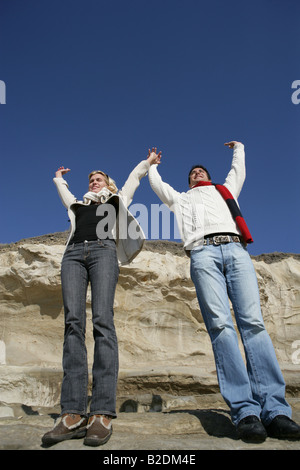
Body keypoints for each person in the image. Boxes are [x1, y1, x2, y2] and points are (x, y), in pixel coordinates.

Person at [148, 142, 300, 442]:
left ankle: (275, 411)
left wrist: (239, 148)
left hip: (235, 249)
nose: (197, 173)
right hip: (202, 254)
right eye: (192, 172)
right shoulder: (180, 199)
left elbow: (237, 171)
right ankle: (246, 412)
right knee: (221, 327)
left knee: (253, 324)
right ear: (188, 180)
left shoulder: (224, 191)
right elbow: (158, 186)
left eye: (201, 170)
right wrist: (151, 165)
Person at [42, 153, 159, 447]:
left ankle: (102, 413)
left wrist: (148, 163)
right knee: (73, 324)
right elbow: (66, 194)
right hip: (72, 256)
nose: (94, 182)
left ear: (108, 183)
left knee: (103, 321)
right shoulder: (78, 205)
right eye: (91, 179)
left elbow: (133, 180)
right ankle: (72, 414)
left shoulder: (117, 200)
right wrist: (58, 178)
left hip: (103, 252)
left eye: (99, 179)